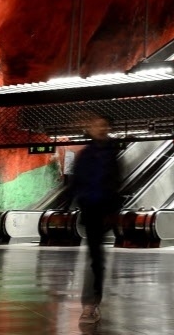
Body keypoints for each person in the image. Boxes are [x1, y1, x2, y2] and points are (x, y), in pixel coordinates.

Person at [64, 112, 123, 324]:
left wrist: (114, 209)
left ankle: (91, 303)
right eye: (97, 125)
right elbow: (76, 181)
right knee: (95, 258)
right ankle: (90, 303)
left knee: (96, 258)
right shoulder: (86, 154)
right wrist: (68, 203)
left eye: (105, 125)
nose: (101, 128)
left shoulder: (112, 154)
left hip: (105, 210)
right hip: (90, 210)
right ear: (90, 129)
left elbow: (117, 183)